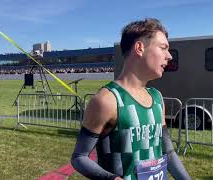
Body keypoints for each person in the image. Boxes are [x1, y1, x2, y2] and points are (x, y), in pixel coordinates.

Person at [71, 18, 191, 180]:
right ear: (139, 48)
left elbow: (168, 153)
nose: (169, 56)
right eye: (163, 48)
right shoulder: (107, 100)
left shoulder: (156, 97)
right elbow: (79, 157)